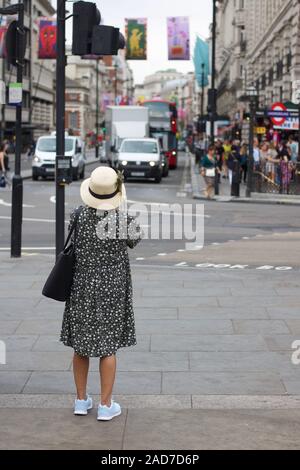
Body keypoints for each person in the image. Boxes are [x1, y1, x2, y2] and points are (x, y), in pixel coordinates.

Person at [60, 166, 142, 421]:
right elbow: (135, 240)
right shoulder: (123, 220)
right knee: (108, 348)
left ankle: (82, 400)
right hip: (113, 289)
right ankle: (106, 405)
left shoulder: (78, 215)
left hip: (82, 285)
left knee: (81, 347)